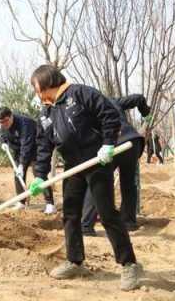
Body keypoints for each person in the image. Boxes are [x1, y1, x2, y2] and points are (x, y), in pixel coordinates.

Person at [27, 65, 141, 291]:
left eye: (35, 87)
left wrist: (108, 143)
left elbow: (110, 115)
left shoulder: (80, 93)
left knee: (107, 213)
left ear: (45, 82)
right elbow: (43, 146)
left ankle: (129, 264)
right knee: (70, 213)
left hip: (97, 161)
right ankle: (75, 260)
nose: (35, 92)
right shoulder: (46, 113)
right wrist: (40, 176)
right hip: (72, 167)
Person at [81, 94, 152, 236]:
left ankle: (86, 225)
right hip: (132, 142)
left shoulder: (84, 110)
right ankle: (129, 221)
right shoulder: (111, 100)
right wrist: (146, 113)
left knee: (97, 182)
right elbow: (138, 98)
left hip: (113, 143)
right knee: (128, 183)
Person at [0, 106, 56, 213]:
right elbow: (2, 134)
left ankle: (50, 204)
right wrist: (3, 142)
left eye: (5, 121)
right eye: (1, 122)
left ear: (11, 116)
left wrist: (22, 164)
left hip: (35, 149)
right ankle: (21, 202)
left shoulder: (24, 123)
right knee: (18, 176)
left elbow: (26, 145)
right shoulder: (3, 124)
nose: (4, 124)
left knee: (39, 175)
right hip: (19, 151)